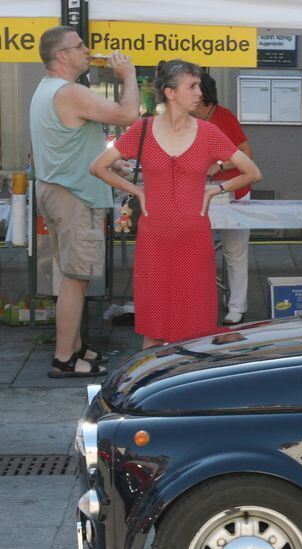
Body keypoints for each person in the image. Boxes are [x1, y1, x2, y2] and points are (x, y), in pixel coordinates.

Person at [90, 60, 261, 349]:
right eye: (191, 86)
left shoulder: (208, 133)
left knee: (197, 324)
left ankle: (190, 375)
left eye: (198, 86)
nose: (199, 93)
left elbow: (252, 172)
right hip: (154, 238)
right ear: (170, 92)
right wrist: (137, 191)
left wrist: (215, 190)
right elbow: (98, 167)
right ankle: (150, 376)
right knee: (153, 325)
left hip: (194, 238)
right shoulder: (142, 130)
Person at [30, 26, 140, 378]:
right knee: (76, 279)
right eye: (79, 46)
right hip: (74, 195)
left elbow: (70, 141)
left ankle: (76, 348)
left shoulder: (46, 89)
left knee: (71, 275)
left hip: (57, 190)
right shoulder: (70, 91)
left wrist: (111, 163)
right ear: (61, 55)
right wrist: (128, 74)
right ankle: (64, 359)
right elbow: (128, 115)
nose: (87, 50)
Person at [192, 72, 254, 325]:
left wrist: (219, 165)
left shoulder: (223, 117)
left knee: (234, 250)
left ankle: (237, 306)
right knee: (198, 250)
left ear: (204, 99)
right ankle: (201, 302)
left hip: (234, 190)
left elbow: (247, 153)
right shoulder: (188, 119)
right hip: (202, 192)